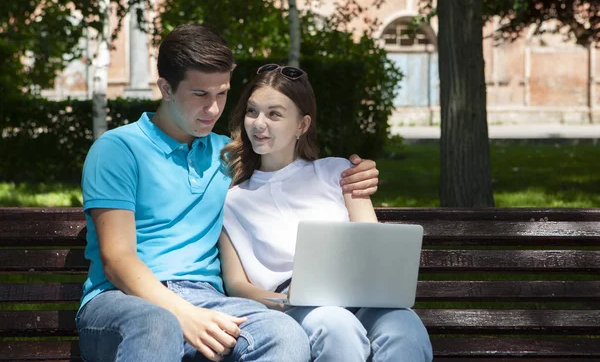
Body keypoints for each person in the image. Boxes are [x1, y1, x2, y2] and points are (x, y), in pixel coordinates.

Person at [76, 23, 380, 362]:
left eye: (222, 94)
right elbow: (117, 260)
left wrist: (358, 171)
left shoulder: (228, 155)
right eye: (200, 95)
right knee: (157, 324)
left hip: (209, 299)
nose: (213, 108)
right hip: (122, 300)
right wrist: (183, 314)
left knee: (284, 334)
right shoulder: (118, 149)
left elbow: (289, 168)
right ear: (165, 88)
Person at [219, 64, 433, 362]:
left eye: (274, 114)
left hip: (359, 299)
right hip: (294, 310)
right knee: (336, 326)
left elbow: (371, 244)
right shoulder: (233, 200)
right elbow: (237, 284)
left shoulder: (338, 172)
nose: (258, 123)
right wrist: (287, 302)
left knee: (403, 327)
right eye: (252, 111)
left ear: (302, 125)